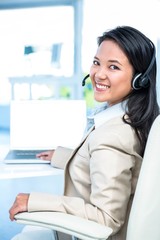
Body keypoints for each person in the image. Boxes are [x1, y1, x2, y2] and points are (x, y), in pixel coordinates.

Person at [9, 26, 159, 240]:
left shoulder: (112, 137)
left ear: (139, 79)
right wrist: (65, 156)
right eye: (97, 62)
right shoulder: (131, 119)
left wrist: (33, 201)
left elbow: (106, 218)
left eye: (113, 67)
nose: (98, 73)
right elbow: (109, 164)